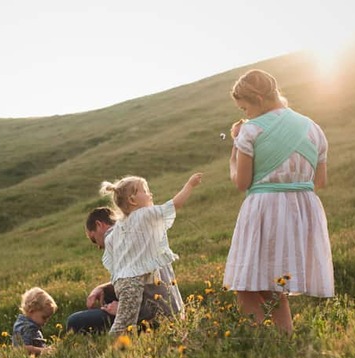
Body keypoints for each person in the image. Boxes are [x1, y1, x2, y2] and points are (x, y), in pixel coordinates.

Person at [223, 69, 334, 336]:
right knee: (274, 284)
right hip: (302, 209)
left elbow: (241, 182)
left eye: (245, 107)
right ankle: (286, 340)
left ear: (259, 99)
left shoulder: (250, 131)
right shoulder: (313, 127)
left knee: (245, 285)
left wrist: (235, 146)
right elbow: (320, 181)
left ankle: (268, 341)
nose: (246, 114)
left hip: (265, 208)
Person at [99, 173, 203, 334]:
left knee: (133, 318)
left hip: (121, 280)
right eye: (146, 191)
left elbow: (111, 248)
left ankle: (140, 342)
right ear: (133, 200)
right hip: (132, 283)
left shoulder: (120, 226)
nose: (150, 194)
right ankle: (112, 350)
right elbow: (174, 204)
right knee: (123, 324)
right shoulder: (144, 214)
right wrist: (190, 185)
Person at [65, 207, 182, 334]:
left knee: (75, 322)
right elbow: (140, 278)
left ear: (99, 225)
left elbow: (132, 285)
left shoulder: (120, 243)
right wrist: (101, 287)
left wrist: (121, 311)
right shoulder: (134, 233)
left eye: (94, 239)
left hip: (156, 318)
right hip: (173, 310)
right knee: (107, 294)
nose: (99, 246)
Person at [12, 287, 57, 355]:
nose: (47, 321)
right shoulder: (26, 327)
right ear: (31, 310)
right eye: (44, 317)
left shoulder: (29, 324)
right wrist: (43, 351)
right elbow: (21, 349)